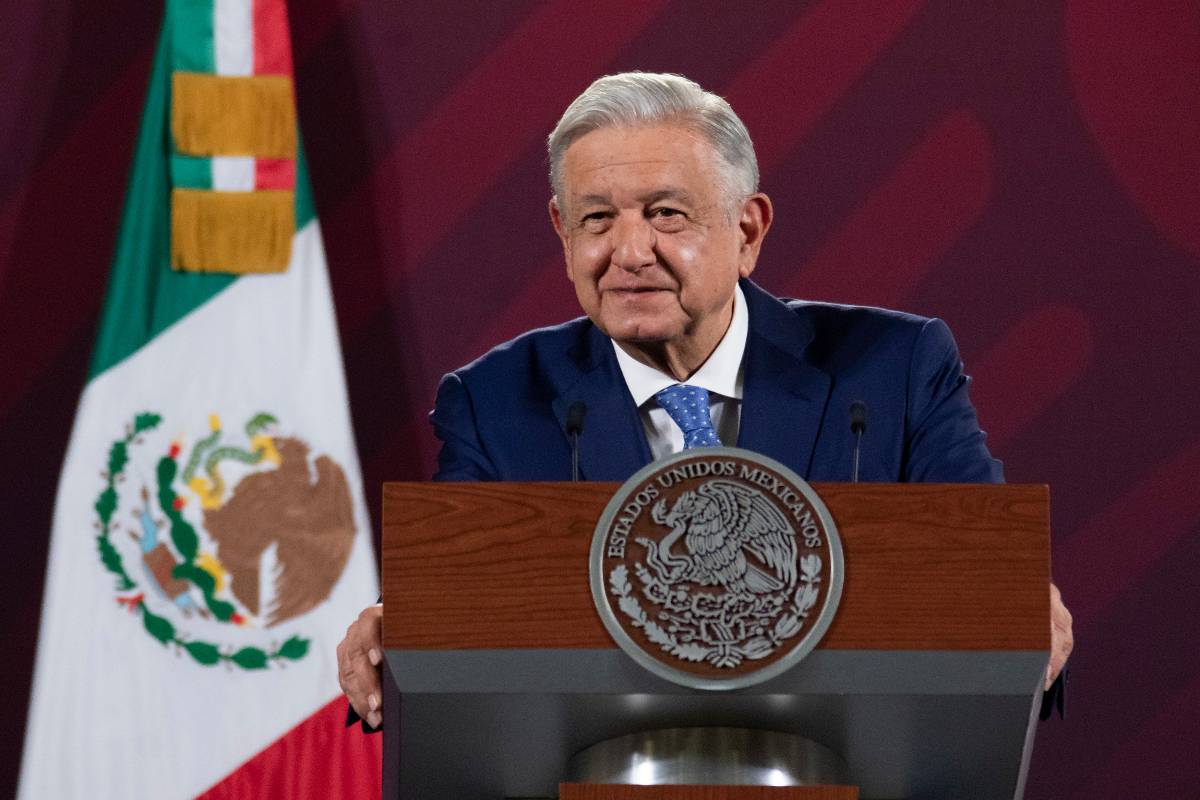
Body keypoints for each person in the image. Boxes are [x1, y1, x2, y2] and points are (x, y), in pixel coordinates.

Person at [336, 72, 1073, 731]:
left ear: (747, 230)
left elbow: (985, 576)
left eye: (665, 214)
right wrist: (404, 629)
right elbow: (461, 609)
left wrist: (1014, 603)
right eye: (597, 219)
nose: (629, 252)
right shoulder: (497, 402)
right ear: (563, 236)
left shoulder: (893, 369)